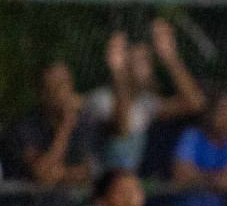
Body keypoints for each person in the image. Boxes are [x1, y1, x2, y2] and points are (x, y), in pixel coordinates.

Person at [84, 19, 206, 173]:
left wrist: (170, 57)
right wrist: (118, 73)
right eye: (139, 60)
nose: (147, 66)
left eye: (148, 59)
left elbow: (195, 103)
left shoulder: (145, 103)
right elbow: (122, 128)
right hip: (101, 186)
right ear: (123, 63)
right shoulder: (102, 99)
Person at [7, 61, 93, 206]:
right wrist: (65, 127)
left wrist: (59, 174)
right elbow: (42, 176)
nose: (62, 92)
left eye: (65, 84)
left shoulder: (83, 124)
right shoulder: (23, 127)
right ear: (41, 93)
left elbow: (87, 173)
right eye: (54, 86)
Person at [163, 92, 227, 206]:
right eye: (224, 111)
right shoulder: (192, 137)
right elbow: (181, 174)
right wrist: (213, 180)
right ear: (211, 113)